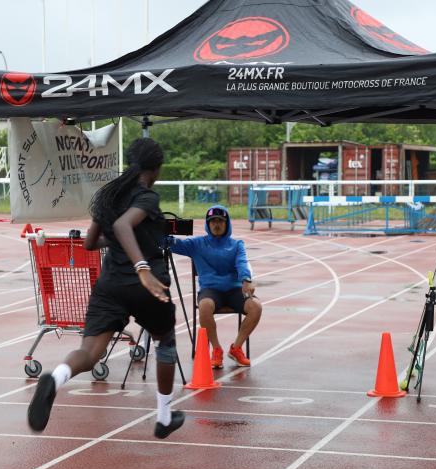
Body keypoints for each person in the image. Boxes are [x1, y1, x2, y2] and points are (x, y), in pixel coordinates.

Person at [28, 138, 184, 439]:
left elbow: (90, 243)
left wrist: (118, 246)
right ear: (157, 168)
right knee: (166, 341)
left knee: (89, 352)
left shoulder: (108, 194)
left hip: (110, 284)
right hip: (144, 283)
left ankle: (57, 378)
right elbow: (125, 227)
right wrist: (142, 270)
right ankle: (164, 417)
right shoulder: (146, 197)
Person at [169, 205, 262, 369]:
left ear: (227, 224)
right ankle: (216, 349)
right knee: (204, 306)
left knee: (256, 307)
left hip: (234, 291)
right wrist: (158, 231)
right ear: (207, 224)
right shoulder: (196, 244)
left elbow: (242, 263)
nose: (216, 224)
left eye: (220, 221)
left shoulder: (236, 244)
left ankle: (236, 348)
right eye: (212, 221)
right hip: (210, 291)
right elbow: (172, 244)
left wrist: (246, 279)